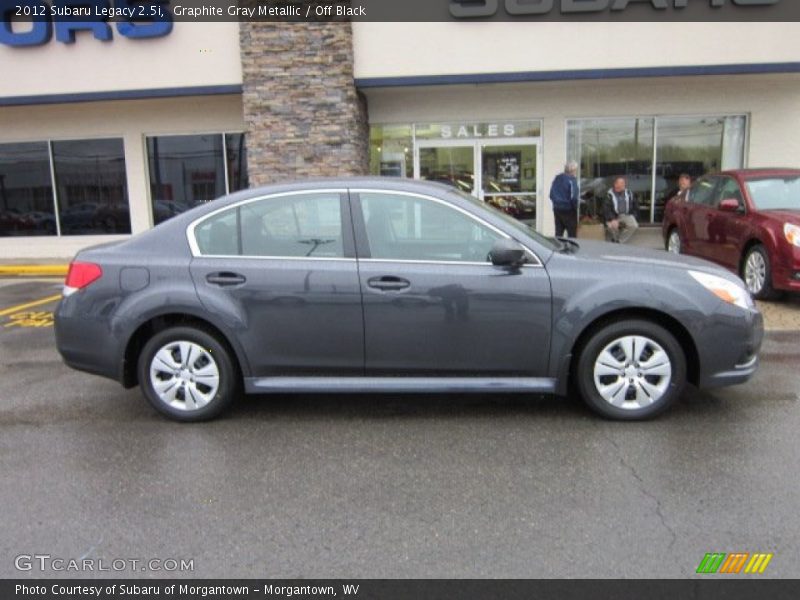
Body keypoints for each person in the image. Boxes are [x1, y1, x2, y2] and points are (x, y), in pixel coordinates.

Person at [604, 176, 639, 243]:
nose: (623, 185)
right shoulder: (609, 195)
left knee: (634, 225)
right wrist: (612, 219)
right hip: (614, 215)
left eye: (623, 183)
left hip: (626, 215)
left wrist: (634, 215)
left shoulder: (629, 193)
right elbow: (606, 208)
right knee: (611, 226)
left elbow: (635, 205)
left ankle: (619, 241)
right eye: (621, 183)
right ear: (615, 184)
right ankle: (615, 239)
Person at [549, 161, 580, 238]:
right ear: (573, 171)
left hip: (557, 209)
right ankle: (571, 246)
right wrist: (575, 207)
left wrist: (556, 203)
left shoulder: (557, 178)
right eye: (575, 170)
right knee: (572, 234)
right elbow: (574, 197)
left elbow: (551, 194)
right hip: (568, 210)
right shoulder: (572, 180)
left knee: (558, 232)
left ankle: (557, 245)